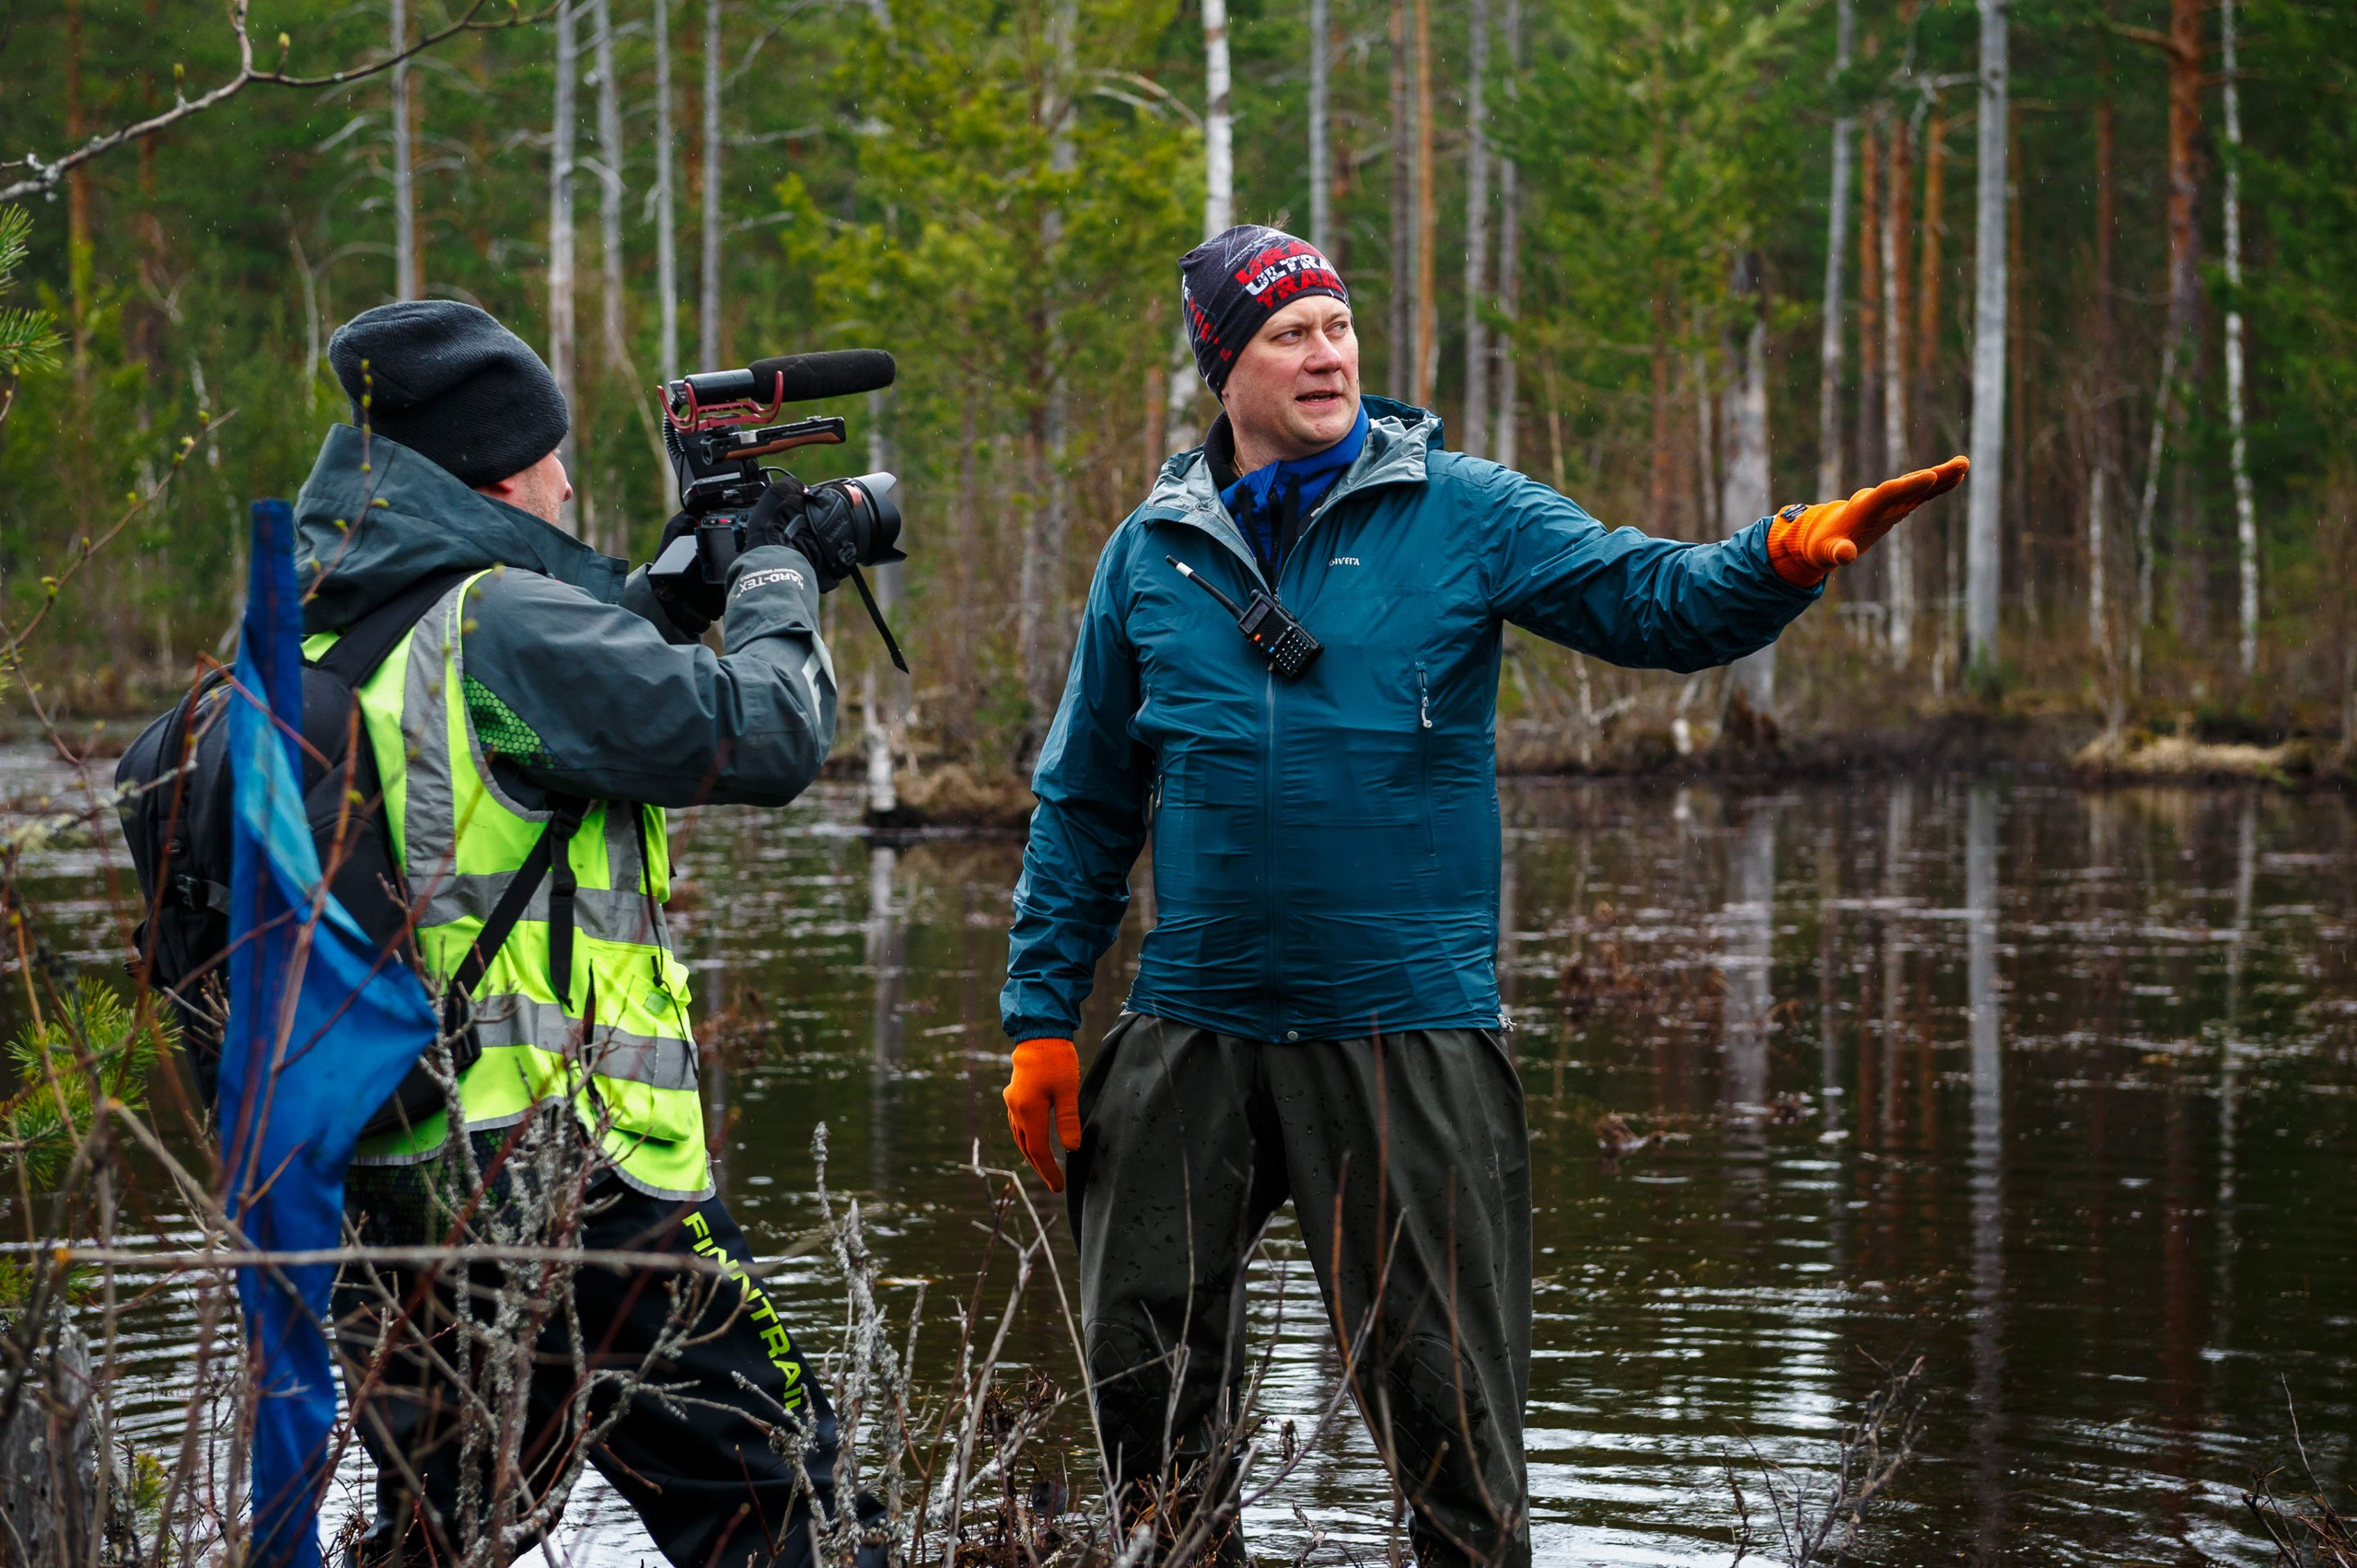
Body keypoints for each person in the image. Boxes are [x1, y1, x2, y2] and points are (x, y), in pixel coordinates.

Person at [997, 226, 1966, 1566]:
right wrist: (1043, 1018)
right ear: (1225, 367)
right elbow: (1086, 801)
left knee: (1448, 1413)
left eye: (1338, 325)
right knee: (1142, 1387)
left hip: (1405, 1024)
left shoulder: (1464, 510)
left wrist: (1779, 560)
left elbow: (1650, 600)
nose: (1327, 354)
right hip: (1195, 1022)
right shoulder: (1151, 554)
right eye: (1288, 334)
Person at [296, 300, 876, 1566]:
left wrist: (669, 593)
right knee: (794, 1515)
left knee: (443, 1533)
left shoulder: (338, 626)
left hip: (393, 1177)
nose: (566, 483)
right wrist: (778, 582)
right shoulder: (498, 621)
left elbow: (536, 722)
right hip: (577, 1173)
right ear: (501, 471)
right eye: (552, 456)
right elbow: (768, 734)